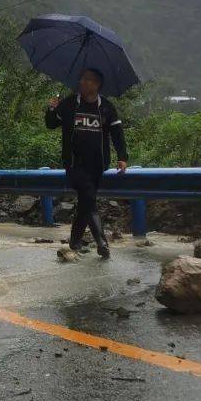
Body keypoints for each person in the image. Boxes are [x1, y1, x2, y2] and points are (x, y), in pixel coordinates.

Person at [44, 67, 128, 259]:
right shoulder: (69, 104)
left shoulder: (106, 107)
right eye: (82, 78)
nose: (82, 82)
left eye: (87, 79)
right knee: (89, 197)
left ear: (96, 84)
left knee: (85, 202)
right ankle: (101, 242)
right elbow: (51, 124)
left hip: (97, 165)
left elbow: (117, 134)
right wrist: (52, 108)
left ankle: (74, 242)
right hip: (74, 164)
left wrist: (122, 157)